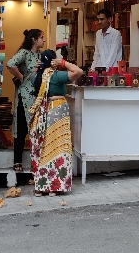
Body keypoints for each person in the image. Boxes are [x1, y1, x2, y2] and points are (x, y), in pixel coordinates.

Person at [29, 49, 83, 195]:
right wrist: (63, 62)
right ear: (53, 61)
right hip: (57, 111)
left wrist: (38, 68)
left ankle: (40, 187)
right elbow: (78, 71)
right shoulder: (57, 76)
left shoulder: (36, 77)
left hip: (41, 113)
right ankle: (53, 187)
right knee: (57, 147)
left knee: (43, 148)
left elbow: (33, 77)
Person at [6, 29, 45, 171]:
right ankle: (17, 161)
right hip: (24, 96)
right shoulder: (24, 53)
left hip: (37, 95)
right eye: (41, 37)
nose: (44, 40)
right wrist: (21, 77)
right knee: (21, 127)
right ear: (34, 39)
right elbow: (10, 64)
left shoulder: (41, 55)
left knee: (37, 127)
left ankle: (38, 160)